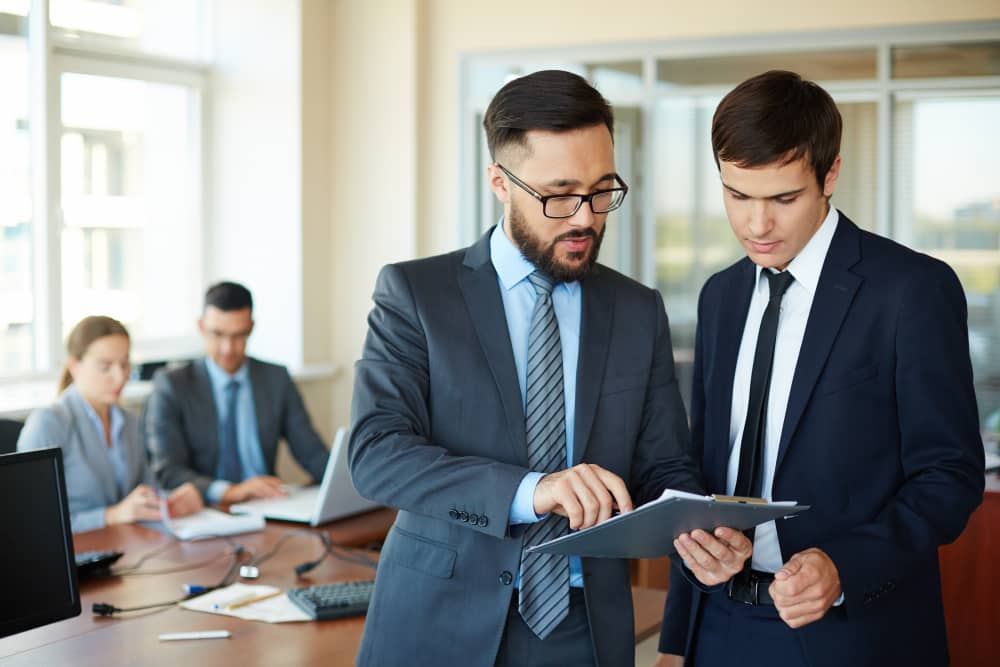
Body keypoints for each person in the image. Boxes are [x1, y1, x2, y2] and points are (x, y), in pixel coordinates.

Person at [349, 70, 750, 667]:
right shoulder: (416, 293)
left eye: (602, 190)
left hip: (583, 629)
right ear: (500, 182)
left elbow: (665, 464)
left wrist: (698, 529)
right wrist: (533, 491)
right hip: (437, 622)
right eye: (559, 195)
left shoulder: (638, 310)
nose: (586, 218)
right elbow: (377, 453)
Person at [656, 70, 985, 667]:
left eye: (783, 198)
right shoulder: (720, 296)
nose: (757, 226)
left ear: (829, 174)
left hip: (854, 633)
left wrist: (845, 565)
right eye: (738, 195)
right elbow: (705, 469)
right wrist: (677, 640)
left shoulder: (912, 290)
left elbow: (950, 475)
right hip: (718, 628)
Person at [145, 281, 329, 504]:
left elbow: (312, 453)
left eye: (239, 335)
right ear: (201, 326)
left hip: (266, 506)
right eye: (217, 334)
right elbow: (168, 471)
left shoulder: (276, 378)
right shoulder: (172, 385)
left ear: (251, 327)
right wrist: (230, 491)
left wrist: (344, 485)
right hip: (207, 510)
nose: (228, 348)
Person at [17, 316, 202, 532]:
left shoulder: (130, 421)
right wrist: (112, 515)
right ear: (74, 366)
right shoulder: (49, 424)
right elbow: (33, 522)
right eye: (105, 367)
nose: (120, 377)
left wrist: (171, 501)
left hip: (126, 548)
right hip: (78, 555)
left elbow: (146, 490)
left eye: (124, 365)